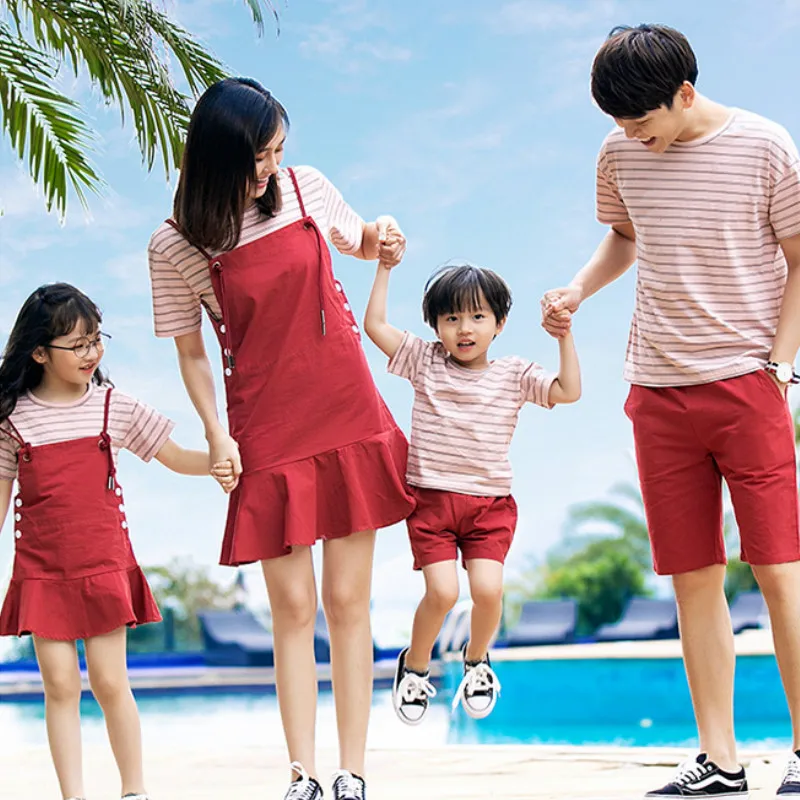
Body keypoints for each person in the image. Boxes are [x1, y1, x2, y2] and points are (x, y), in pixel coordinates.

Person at [541, 24, 800, 799]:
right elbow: (625, 236)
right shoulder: (620, 152)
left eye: (642, 123)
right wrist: (580, 290)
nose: (630, 139)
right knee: (692, 579)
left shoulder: (765, 146)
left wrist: (780, 365)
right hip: (655, 390)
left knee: (780, 574)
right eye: (618, 127)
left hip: (745, 385)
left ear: (684, 94)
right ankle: (719, 760)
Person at [147, 77, 414, 800]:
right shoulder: (176, 243)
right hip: (265, 426)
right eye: (258, 156)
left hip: (347, 409)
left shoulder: (305, 189)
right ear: (216, 157)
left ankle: (352, 772)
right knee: (293, 611)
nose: (271, 168)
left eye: (277, 152)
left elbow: (360, 242)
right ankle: (302, 775)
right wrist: (215, 433)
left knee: (348, 603)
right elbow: (192, 352)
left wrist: (383, 234)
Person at [0, 283, 233, 800]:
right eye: (77, 345)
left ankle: (134, 792)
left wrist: (219, 463)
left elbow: (173, 455)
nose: (91, 353)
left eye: (95, 340)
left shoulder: (112, 406)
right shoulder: (13, 419)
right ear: (39, 352)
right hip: (42, 571)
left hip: (104, 565)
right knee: (59, 686)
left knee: (109, 683)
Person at [364, 260, 580, 725]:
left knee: (488, 591)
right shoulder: (424, 362)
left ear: (500, 324)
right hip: (433, 503)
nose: (465, 328)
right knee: (441, 594)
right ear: (436, 326)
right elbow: (375, 326)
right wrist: (384, 266)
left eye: (478, 316)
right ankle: (416, 666)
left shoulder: (514, 373)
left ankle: (477, 660)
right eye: (452, 318)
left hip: (489, 506)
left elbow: (568, 391)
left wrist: (563, 335)